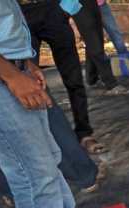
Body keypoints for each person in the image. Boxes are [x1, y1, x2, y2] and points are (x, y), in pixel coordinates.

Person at [0, 0, 75, 208]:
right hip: (5, 80)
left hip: (15, 68)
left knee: (49, 162)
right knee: (33, 170)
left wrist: (25, 63)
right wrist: (11, 75)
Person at [19, 0, 94, 151]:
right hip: (21, 15)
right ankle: (46, 141)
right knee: (31, 83)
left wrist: (67, 7)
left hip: (53, 10)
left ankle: (84, 133)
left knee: (73, 78)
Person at [61, 0, 129, 100]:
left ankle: (91, 78)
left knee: (96, 41)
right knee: (94, 43)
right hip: (78, 5)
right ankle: (111, 84)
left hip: (92, 4)